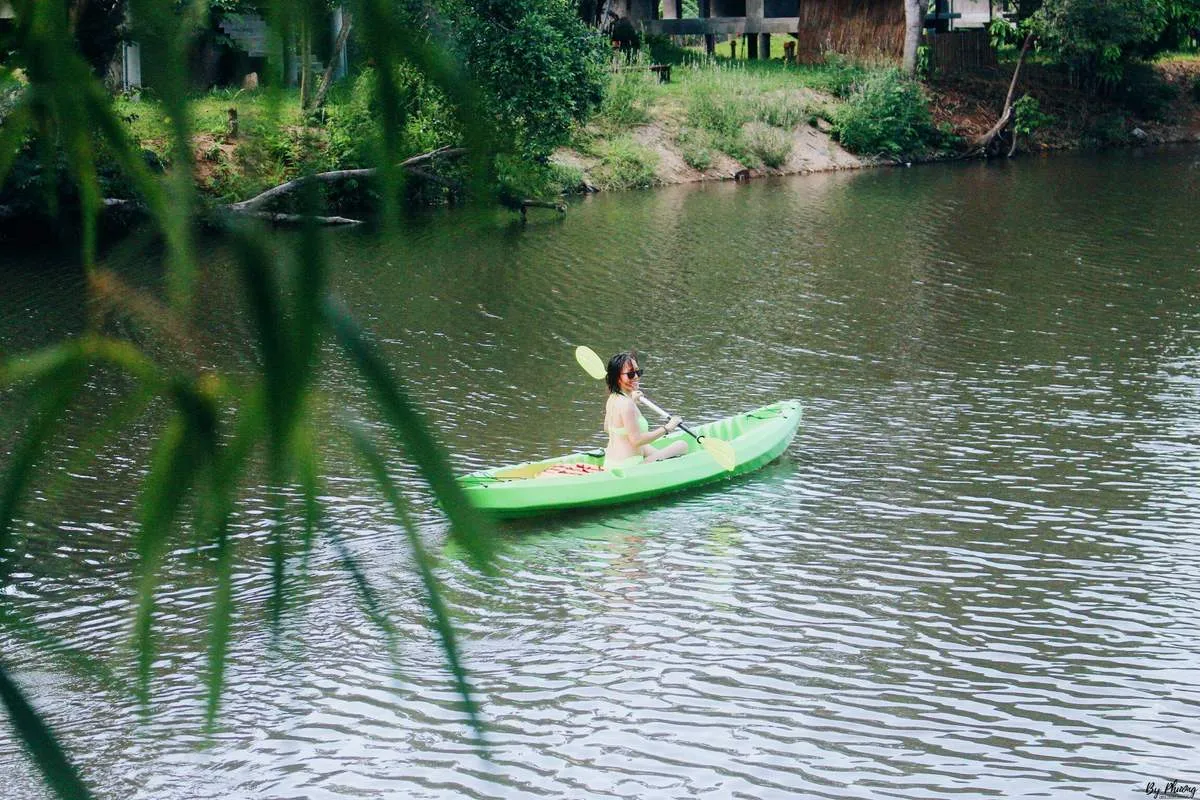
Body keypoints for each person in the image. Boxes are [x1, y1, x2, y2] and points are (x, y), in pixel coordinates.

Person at [603, 352, 688, 469]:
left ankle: (663, 460)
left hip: (610, 463)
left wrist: (632, 399)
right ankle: (666, 462)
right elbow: (636, 440)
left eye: (638, 372)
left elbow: (607, 428)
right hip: (629, 466)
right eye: (631, 374)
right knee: (681, 445)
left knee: (646, 447)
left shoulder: (613, 398)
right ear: (617, 378)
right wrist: (667, 428)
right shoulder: (627, 404)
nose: (636, 377)